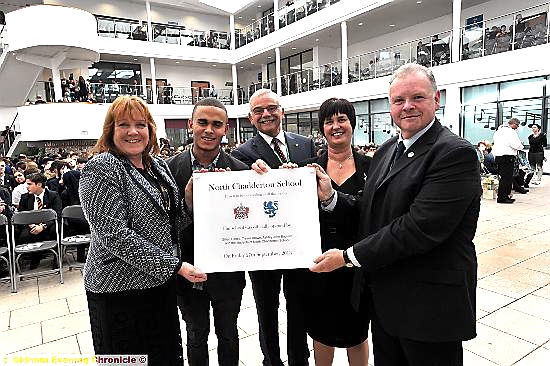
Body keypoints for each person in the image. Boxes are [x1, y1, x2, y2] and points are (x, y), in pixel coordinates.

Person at [310, 63, 480, 366]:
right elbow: (369, 206)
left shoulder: (454, 153)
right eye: (399, 100)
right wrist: (331, 196)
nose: (408, 107)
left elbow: (418, 228)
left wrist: (348, 257)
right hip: (387, 302)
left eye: (417, 98)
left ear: (436, 99)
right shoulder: (389, 149)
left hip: (429, 306)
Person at [78, 95, 206, 365]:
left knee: (165, 355)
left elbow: (169, 224)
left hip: (158, 284)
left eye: (141, 124)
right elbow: (114, 236)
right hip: (118, 290)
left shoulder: (156, 166)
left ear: (150, 129)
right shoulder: (101, 168)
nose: (133, 131)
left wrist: (189, 202)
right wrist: (175, 267)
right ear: (110, 130)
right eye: (124, 124)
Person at [231, 89, 315, 366]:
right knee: (266, 309)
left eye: (271, 108)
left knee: (299, 305)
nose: (265, 114)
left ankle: (299, 358)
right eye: (258, 111)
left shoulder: (305, 144)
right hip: (263, 247)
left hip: (298, 242)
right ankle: (272, 360)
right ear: (250, 118)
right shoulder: (241, 154)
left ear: (282, 111)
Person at [167, 98, 247, 366]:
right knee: (195, 335)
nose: (209, 130)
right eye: (202, 122)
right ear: (191, 125)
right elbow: (161, 222)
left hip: (228, 275)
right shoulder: (168, 170)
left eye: (216, 124)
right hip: (186, 272)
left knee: (228, 335)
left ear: (226, 129)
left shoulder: (240, 171)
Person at [299, 98, 371, 366]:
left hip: (355, 263)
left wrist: (332, 196)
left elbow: (368, 211)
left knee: (357, 331)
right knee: (321, 331)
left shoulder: (371, 167)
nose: (335, 126)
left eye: (342, 119)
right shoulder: (308, 169)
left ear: (352, 124)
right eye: (329, 121)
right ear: (322, 128)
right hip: (318, 266)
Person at [17, 172, 62, 270]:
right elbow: (21, 215)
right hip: (32, 225)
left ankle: (57, 257)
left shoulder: (53, 195)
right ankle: (35, 257)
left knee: (56, 229)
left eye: (29, 184)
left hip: (48, 225)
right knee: (23, 235)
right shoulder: (25, 197)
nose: (27, 187)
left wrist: (43, 226)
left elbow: (57, 214)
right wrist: (31, 225)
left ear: (39, 185)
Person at [492, 118, 524, 203]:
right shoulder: (510, 132)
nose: (517, 128)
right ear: (513, 123)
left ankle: (503, 196)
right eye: (517, 125)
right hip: (507, 157)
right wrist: (521, 145)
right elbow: (515, 144)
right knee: (507, 178)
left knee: (503, 178)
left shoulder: (498, 132)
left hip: (498, 157)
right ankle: (503, 198)